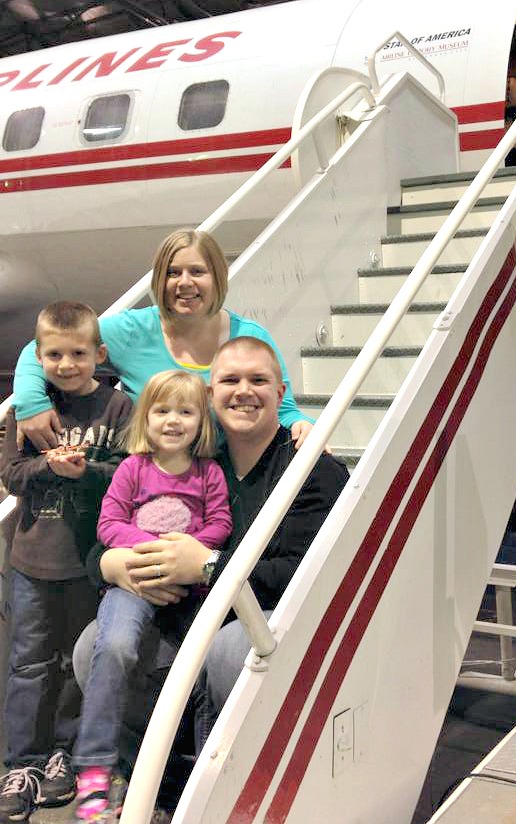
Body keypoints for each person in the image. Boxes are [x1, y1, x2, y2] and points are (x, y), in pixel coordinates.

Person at [73, 336, 349, 809]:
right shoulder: (193, 459)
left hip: (263, 623)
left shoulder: (314, 471)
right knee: (89, 648)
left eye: (258, 380)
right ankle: (148, 780)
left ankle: (228, 795)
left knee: (224, 653)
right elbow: (111, 531)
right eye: (231, 380)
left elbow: (304, 572)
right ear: (210, 393)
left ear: (281, 393)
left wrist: (205, 566)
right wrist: (109, 565)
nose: (244, 391)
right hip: (183, 617)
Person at [72, 370, 232, 822]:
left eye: (186, 411)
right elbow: (108, 525)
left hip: (188, 588)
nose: (173, 420)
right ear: (146, 418)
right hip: (136, 581)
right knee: (115, 647)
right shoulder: (132, 469)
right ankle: (96, 769)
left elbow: (220, 524)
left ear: (201, 422)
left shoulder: (209, 473)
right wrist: (148, 548)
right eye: (162, 410)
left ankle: (204, 785)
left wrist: (185, 548)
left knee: (198, 670)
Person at [0, 302, 132, 824]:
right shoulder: (26, 411)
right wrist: (49, 468)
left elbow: (127, 473)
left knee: (77, 664)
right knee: (28, 662)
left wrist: (85, 472)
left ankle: (65, 754)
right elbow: (11, 475)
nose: (67, 363)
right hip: (33, 559)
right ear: (38, 356)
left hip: (89, 560)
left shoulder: (118, 410)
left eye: (79, 353)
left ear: (98, 354)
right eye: (54, 354)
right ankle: (21, 762)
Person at [11, 228, 313, 453]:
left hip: (219, 484)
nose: (184, 282)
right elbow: (42, 348)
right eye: (172, 273)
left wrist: (301, 425)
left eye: (197, 271)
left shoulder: (249, 338)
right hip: (142, 481)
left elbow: (282, 409)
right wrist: (31, 404)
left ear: (218, 277)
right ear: (159, 280)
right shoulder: (132, 330)